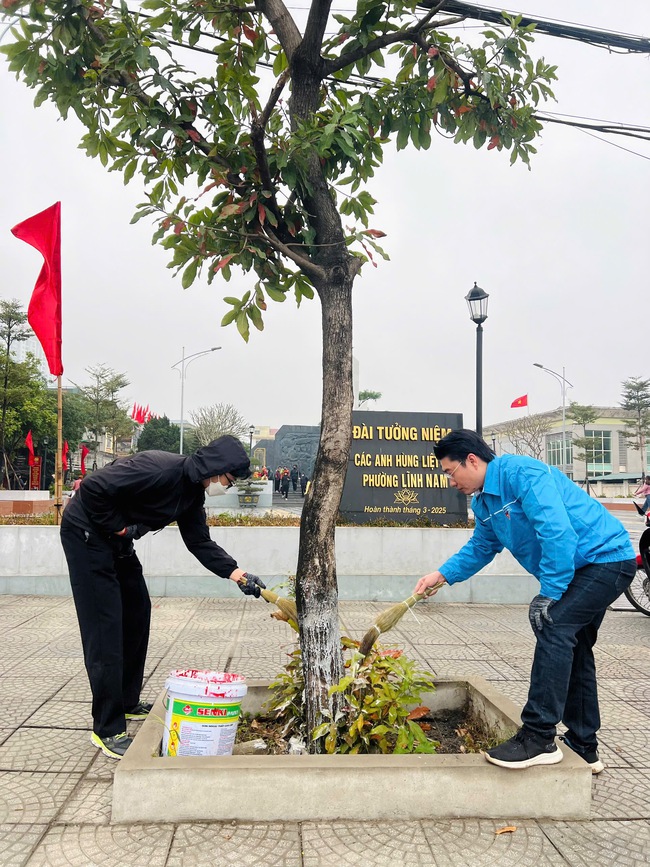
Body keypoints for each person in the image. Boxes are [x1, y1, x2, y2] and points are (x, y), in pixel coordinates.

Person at [413, 429, 635, 772]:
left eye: (449, 472)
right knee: (572, 647)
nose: (450, 481)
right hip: (579, 568)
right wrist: (441, 575)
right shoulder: (483, 500)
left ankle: (538, 737)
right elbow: (482, 547)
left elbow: (557, 532)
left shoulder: (523, 474)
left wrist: (549, 592)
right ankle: (584, 745)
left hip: (605, 560)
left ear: (471, 460)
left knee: (554, 625)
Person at [60, 435, 265, 760]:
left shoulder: (190, 495)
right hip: (85, 533)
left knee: (137, 610)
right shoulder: (158, 468)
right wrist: (121, 529)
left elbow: (199, 542)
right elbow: (94, 487)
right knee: (105, 626)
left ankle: (127, 701)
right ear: (217, 468)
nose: (228, 487)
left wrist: (237, 574)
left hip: (115, 542)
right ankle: (107, 728)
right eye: (230, 480)